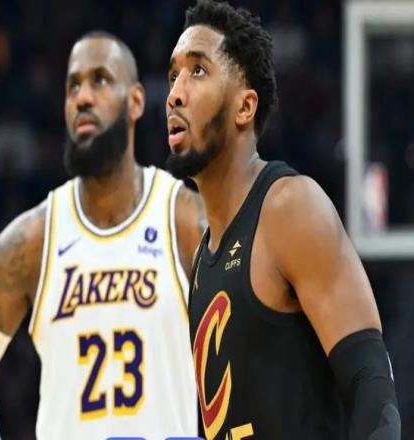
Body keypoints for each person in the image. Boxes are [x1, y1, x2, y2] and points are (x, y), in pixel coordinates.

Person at [0, 31, 204, 439]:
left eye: (100, 80)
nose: (83, 97)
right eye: (73, 86)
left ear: (136, 101)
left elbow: (252, 350)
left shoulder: (185, 221)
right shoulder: (33, 240)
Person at [165, 1, 400, 439]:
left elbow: (372, 386)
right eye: (173, 75)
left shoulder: (290, 208)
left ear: (244, 107)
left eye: (197, 71)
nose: (175, 93)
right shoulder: (202, 260)